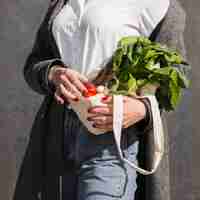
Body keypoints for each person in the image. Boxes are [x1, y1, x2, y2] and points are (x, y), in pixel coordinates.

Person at [13, 0, 188, 200]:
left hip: (111, 137)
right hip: (58, 132)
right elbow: (34, 63)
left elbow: (176, 72)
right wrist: (53, 73)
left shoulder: (159, 5)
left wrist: (142, 108)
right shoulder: (63, 3)